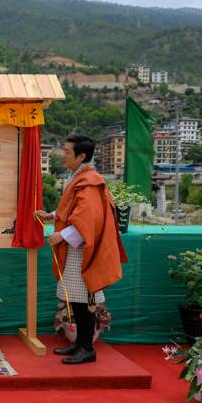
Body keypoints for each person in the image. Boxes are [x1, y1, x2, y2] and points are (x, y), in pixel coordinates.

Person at [34, 134, 127, 364]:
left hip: (83, 251)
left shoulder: (89, 182)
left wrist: (61, 235)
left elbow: (88, 220)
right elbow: (74, 210)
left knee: (85, 301)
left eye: (67, 152)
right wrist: (53, 216)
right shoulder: (83, 178)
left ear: (81, 156)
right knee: (76, 299)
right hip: (78, 249)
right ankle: (79, 343)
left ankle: (87, 348)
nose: (63, 155)